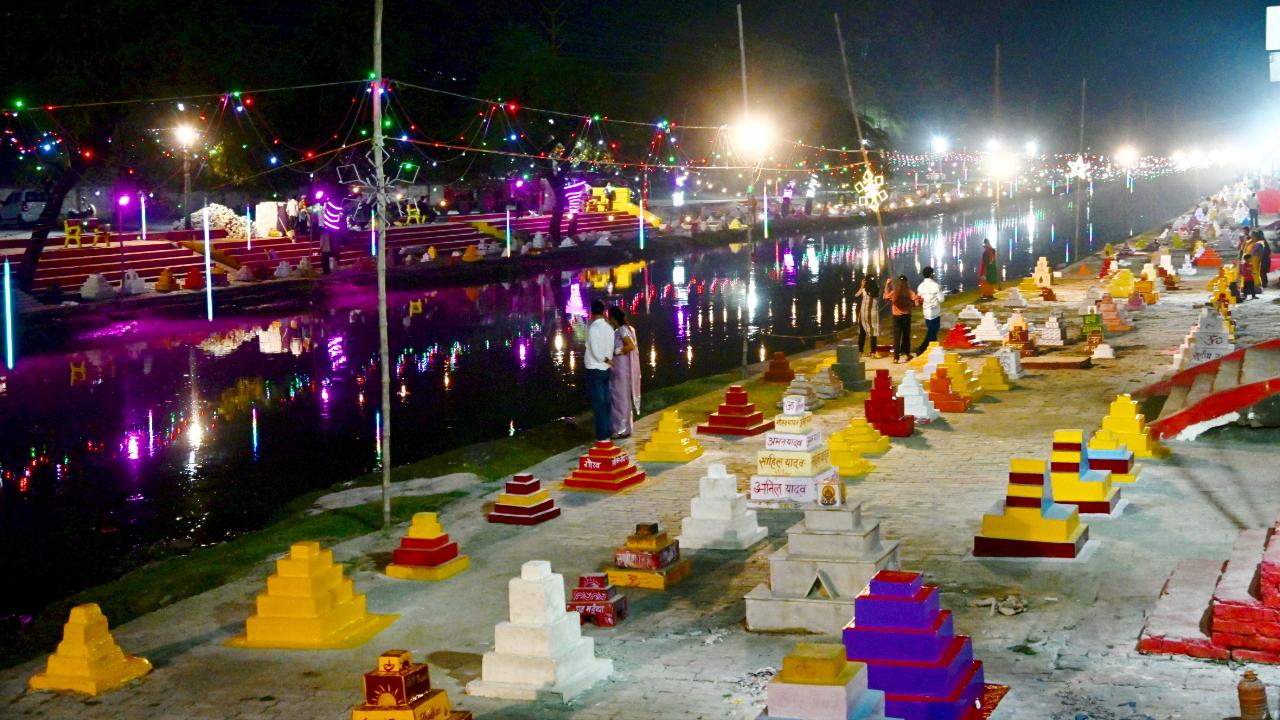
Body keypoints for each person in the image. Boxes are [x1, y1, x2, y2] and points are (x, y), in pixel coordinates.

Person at [608, 306, 641, 438]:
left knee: (619, 398)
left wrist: (617, 351)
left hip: (621, 368)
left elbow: (631, 346)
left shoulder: (622, 330)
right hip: (622, 367)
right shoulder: (627, 329)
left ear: (613, 318)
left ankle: (620, 429)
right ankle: (625, 428)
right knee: (622, 397)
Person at [584, 300, 614, 441]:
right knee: (606, 401)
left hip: (595, 368)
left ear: (591, 312)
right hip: (605, 369)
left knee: (599, 403)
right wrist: (608, 360)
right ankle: (607, 431)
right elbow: (610, 347)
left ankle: (602, 434)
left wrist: (604, 359)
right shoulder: (608, 328)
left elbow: (596, 352)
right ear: (603, 312)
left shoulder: (593, 329)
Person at [883, 274, 920, 363]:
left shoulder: (894, 292)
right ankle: (907, 355)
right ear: (906, 282)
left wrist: (887, 284)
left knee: (897, 337)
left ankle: (896, 358)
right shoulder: (909, 292)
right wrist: (915, 303)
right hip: (907, 316)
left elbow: (885, 296)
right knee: (906, 336)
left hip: (896, 317)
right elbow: (916, 301)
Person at [914, 266, 944, 355]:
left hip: (926, 312)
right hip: (935, 312)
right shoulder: (936, 286)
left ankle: (934, 350)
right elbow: (941, 299)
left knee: (932, 331)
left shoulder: (920, 286)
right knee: (932, 332)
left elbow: (919, 299)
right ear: (931, 274)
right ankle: (922, 348)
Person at [855, 274, 880, 357]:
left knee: (862, 333)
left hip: (863, 314)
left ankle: (860, 351)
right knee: (873, 333)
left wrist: (862, 286)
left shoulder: (864, 290)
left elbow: (856, 295)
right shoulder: (877, 289)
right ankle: (873, 352)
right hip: (873, 314)